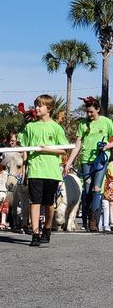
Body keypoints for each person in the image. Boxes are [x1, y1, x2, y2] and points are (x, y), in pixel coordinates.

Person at [22, 94, 68, 246]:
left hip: (51, 172)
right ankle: (35, 232)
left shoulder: (56, 128)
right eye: (36, 105)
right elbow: (25, 149)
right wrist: (24, 170)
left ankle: (47, 228)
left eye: (40, 105)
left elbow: (64, 150)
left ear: (49, 108)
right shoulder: (30, 127)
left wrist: (47, 149)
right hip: (35, 170)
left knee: (49, 203)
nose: (36, 108)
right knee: (34, 202)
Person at [65, 97, 113, 231]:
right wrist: (69, 162)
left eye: (91, 112)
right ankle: (86, 218)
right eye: (87, 112)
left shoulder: (107, 122)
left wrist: (108, 146)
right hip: (86, 159)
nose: (89, 114)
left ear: (98, 109)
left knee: (96, 188)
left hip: (101, 159)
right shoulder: (83, 124)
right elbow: (77, 145)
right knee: (87, 189)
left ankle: (94, 221)